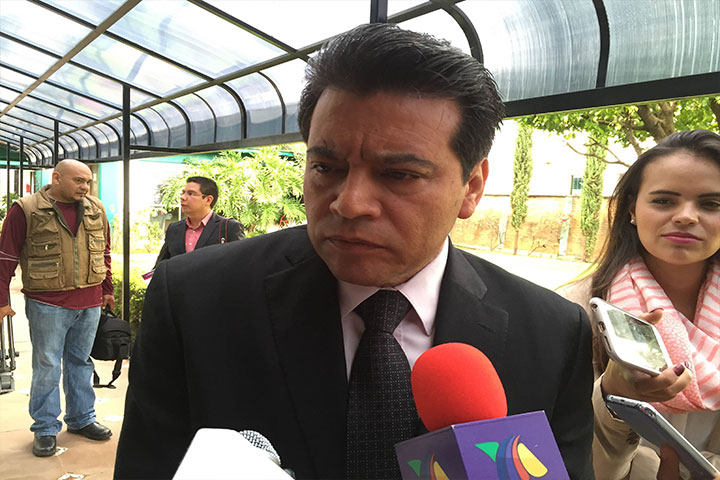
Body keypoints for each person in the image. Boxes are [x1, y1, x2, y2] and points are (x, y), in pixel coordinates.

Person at [114, 23, 593, 479]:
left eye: (399, 175)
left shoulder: (551, 335)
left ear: (471, 187)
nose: (349, 203)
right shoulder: (196, 302)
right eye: (326, 167)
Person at [560, 129, 720, 479]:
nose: (686, 216)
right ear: (632, 208)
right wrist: (613, 394)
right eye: (664, 201)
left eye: (711, 204)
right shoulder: (571, 310)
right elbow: (558, 450)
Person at [0, 159, 114, 457]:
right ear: (56, 177)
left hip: (89, 302)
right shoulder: (26, 209)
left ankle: (81, 418)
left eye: (88, 181)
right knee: (48, 366)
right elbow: (6, 257)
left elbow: (104, 251)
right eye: (78, 180)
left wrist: (107, 289)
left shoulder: (96, 208)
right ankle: (45, 428)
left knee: (81, 362)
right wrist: (2, 300)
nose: (85, 187)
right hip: (47, 303)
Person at [154, 176, 244, 265]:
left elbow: (242, 264)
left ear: (208, 200)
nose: (183, 197)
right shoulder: (174, 229)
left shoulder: (229, 227)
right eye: (183, 193)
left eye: (191, 193)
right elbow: (161, 265)